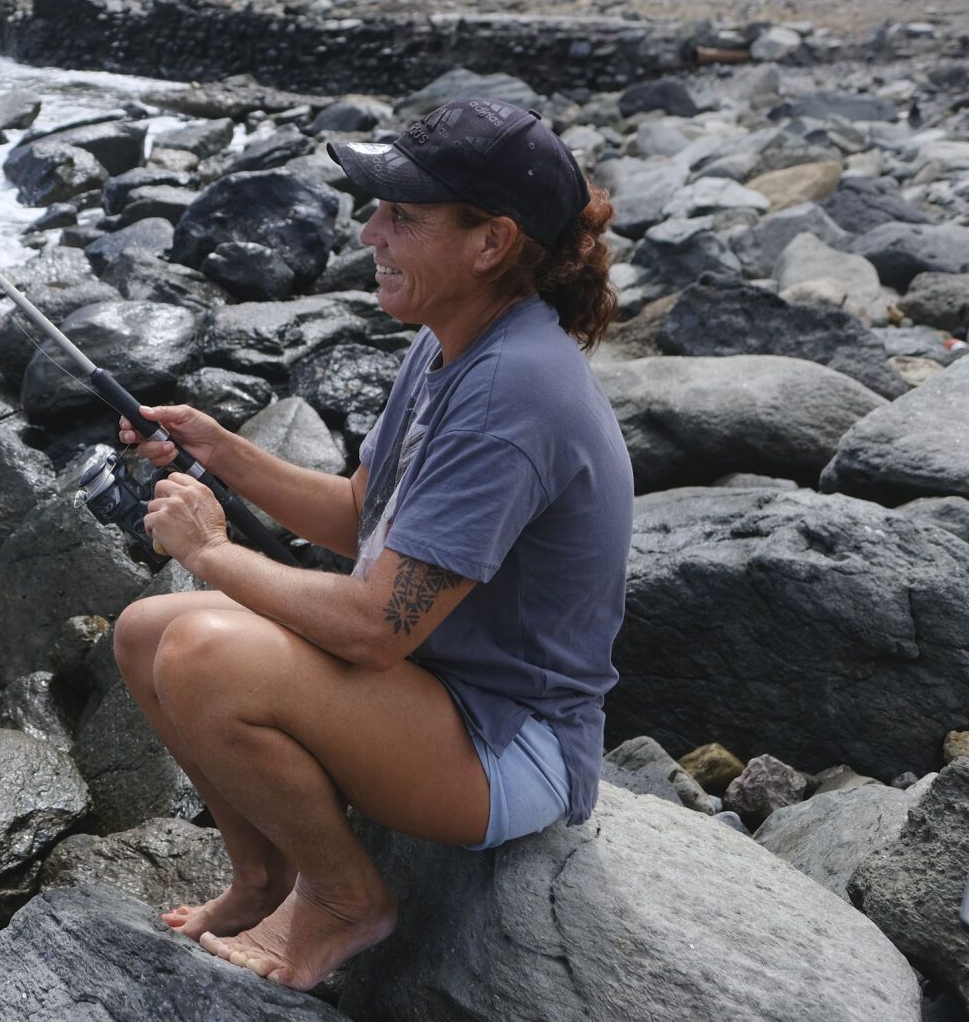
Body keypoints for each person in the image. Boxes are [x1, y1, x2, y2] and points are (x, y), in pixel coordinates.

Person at [112, 96, 633, 992]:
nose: (370, 233)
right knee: (143, 631)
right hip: (442, 692)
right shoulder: (451, 343)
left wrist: (211, 551)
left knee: (200, 650)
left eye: (402, 215)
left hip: (513, 742)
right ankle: (264, 871)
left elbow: (371, 628)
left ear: (491, 241)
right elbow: (365, 513)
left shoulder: (515, 389)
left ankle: (346, 897)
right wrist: (220, 449)